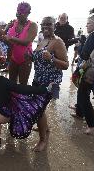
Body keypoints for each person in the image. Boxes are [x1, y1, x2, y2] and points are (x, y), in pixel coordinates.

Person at [30, 16, 69, 151]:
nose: (46, 27)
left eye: (49, 24)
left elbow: (66, 65)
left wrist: (52, 58)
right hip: (37, 79)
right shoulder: (43, 40)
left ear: (55, 26)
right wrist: (30, 57)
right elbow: (39, 59)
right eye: (43, 24)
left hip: (49, 82)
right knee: (39, 108)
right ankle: (45, 128)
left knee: (39, 109)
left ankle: (42, 140)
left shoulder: (58, 42)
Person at [5, 2, 37, 85]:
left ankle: (22, 98)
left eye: (22, 14)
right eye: (17, 13)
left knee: (23, 84)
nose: (19, 15)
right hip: (13, 57)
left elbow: (26, 42)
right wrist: (7, 28)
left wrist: (11, 38)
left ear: (28, 13)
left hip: (26, 59)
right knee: (11, 83)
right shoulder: (13, 23)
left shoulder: (32, 25)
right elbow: (5, 37)